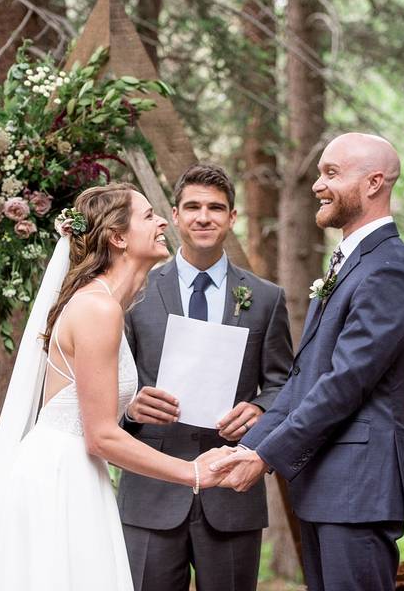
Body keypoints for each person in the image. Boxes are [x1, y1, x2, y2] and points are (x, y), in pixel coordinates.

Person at [0, 183, 232, 591]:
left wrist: (131, 410)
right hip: (60, 478)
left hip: (75, 470)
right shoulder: (98, 308)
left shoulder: (105, 304)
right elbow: (100, 437)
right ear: (118, 237)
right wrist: (193, 472)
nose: (161, 223)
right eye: (149, 216)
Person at [212, 133, 404, 591]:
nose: (316, 185)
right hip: (326, 486)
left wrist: (265, 457)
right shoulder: (348, 264)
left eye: (331, 173)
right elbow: (305, 377)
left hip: (358, 488)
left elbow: (343, 385)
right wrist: (250, 445)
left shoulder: (390, 267)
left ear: (373, 183)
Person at [118, 164, 293, 591]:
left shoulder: (265, 299)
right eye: (192, 206)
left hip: (232, 490)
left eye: (216, 208)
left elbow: (284, 384)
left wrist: (259, 408)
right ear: (174, 215)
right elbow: (107, 383)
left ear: (232, 218)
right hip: (151, 490)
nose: (203, 216)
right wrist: (130, 406)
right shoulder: (134, 294)